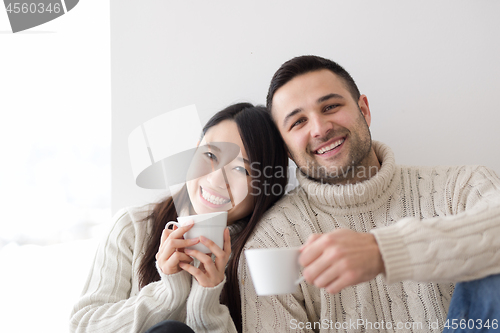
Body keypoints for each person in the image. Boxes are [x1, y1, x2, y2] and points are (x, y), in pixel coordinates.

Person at [237, 55, 500, 332]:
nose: (320, 128)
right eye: (298, 122)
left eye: (331, 106)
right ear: (287, 149)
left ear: (364, 109)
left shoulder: (462, 187)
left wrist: (384, 251)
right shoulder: (271, 243)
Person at [69, 103, 289, 333]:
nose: (216, 179)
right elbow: (83, 326)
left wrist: (207, 301)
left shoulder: (261, 254)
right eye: (210, 155)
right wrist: (167, 293)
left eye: (241, 170)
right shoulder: (132, 229)